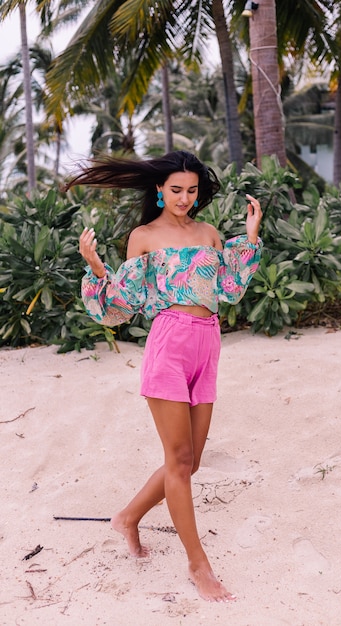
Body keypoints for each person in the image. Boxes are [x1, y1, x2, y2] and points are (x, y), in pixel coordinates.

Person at [66, 150, 263, 602]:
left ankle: (128, 517)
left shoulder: (210, 233)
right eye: (175, 189)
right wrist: (97, 267)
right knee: (178, 459)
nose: (184, 198)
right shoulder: (144, 236)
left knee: (190, 460)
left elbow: (229, 290)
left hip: (208, 344)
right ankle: (199, 565)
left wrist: (248, 238)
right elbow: (120, 305)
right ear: (159, 190)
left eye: (192, 190)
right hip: (170, 342)